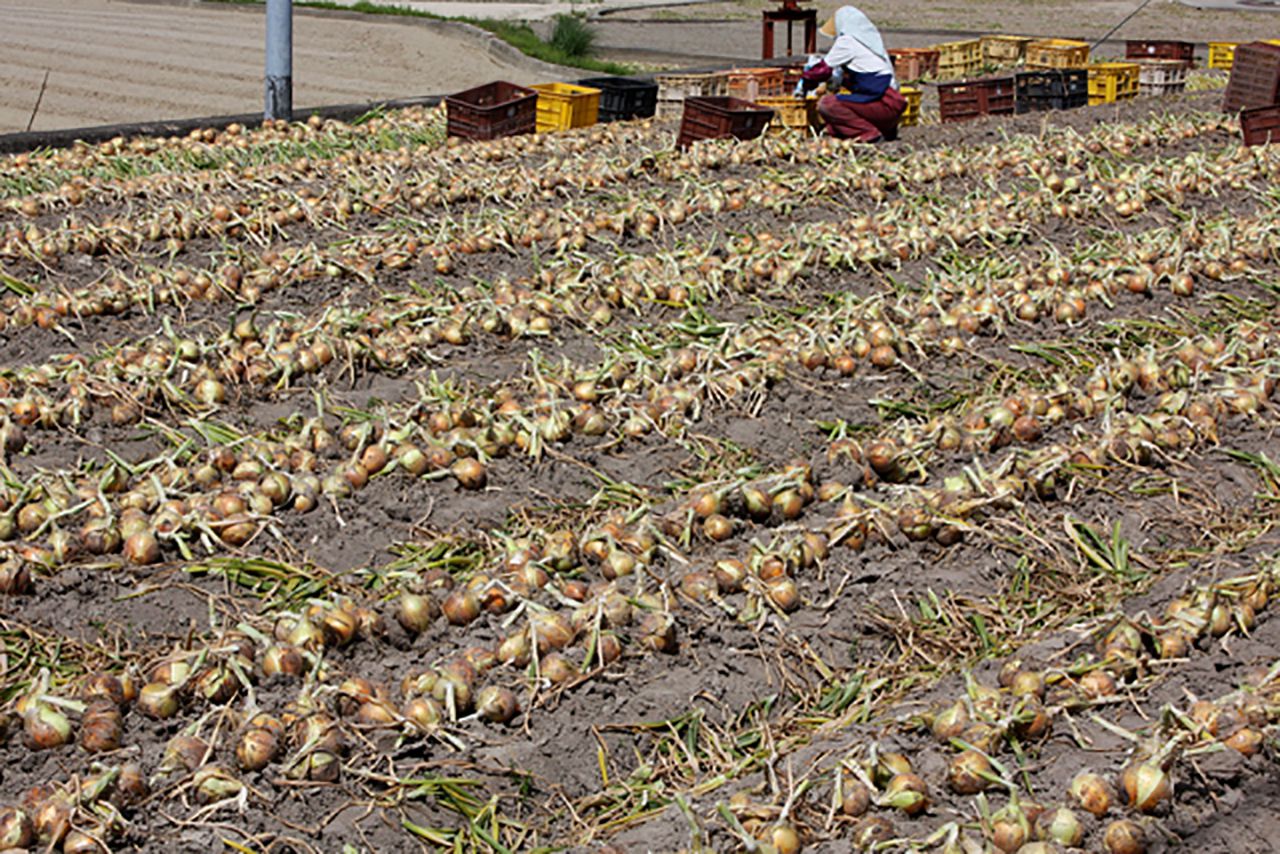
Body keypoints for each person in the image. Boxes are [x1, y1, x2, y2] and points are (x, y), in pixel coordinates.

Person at [795, 6, 906, 143]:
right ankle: (884, 129)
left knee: (828, 104)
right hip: (893, 105)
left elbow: (822, 70)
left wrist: (804, 82)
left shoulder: (848, 43)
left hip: (883, 104)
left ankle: (869, 133)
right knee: (835, 126)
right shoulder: (871, 45)